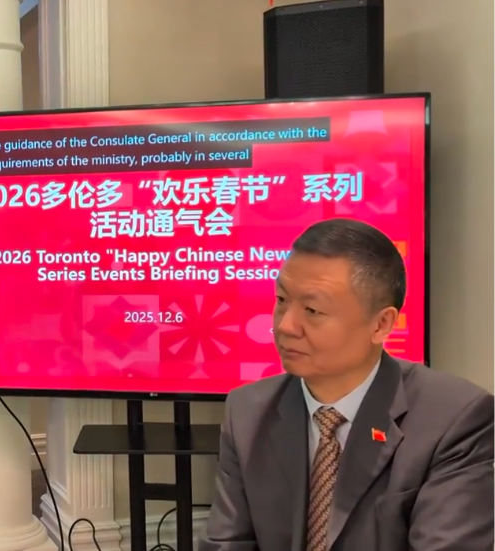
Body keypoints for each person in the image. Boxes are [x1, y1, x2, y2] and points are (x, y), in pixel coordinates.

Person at [199, 218, 495, 551]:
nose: (286, 326)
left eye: (313, 309)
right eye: (281, 300)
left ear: (381, 324)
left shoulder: (454, 419)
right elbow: (227, 543)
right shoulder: (248, 412)